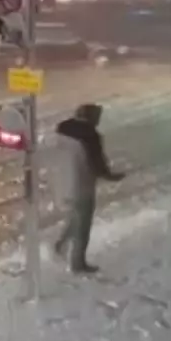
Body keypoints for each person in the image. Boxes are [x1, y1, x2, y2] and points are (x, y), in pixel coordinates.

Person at [50, 103, 123, 273]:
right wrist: (111, 176)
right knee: (83, 224)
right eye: (97, 117)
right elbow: (97, 164)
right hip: (82, 184)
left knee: (74, 217)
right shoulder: (91, 136)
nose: (98, 121)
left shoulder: (63, 128)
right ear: (91, 117)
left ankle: (60, 245)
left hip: (62, 179)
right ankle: (78, 263)